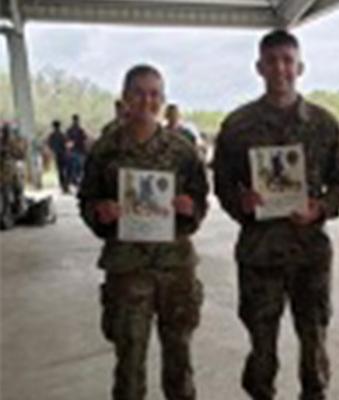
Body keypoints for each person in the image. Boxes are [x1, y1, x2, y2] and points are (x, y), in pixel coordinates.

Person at [212, 30, 339, 400]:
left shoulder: (324, 124)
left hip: (310, 254)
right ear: (259, 67)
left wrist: (320, 208)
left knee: (314, 343)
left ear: (300, 66)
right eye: (272, 60)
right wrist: (239, 204)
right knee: (261, 347)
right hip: (259, 253)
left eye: (287, 60)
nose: (280, 68)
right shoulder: (237, 125)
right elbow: (222, 183)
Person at [78, 64, 209, 400]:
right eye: (139, 92)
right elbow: (87, 198)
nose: (147, 100)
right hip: (126, 267)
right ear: (125, 98)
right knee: (129, 359)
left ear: (163, 101)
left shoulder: (182, 150)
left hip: (175, 267)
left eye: (155, 94)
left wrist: (189, 208)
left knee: (179, 356)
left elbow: (200, 199)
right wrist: (100, 213)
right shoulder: (105, 149)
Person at [47, 120, 71, 193]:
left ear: (53, 126)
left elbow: (49, 144)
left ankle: (62, 186)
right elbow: (67, 144)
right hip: (64, 154)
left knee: (60, 171)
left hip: (57, 154)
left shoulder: (52, 135)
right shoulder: (62, 134)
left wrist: (53, 150)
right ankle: (66, 185)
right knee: (66, 170)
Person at [65, 114, 89, 186]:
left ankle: (75, 180)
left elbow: (68, 141)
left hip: (76, 151)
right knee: (78, 166)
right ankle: (76, 180)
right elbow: (85, 139)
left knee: (76, 166)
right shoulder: (80, 130)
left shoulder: (71, 130)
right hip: (78, 151)